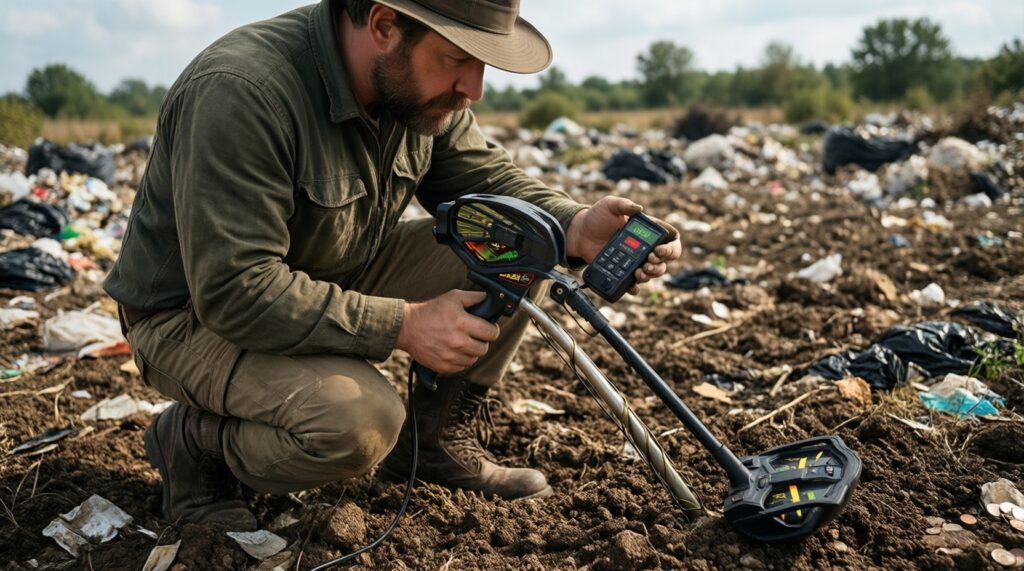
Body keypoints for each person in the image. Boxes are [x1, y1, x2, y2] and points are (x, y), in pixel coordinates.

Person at [104, 0, 682, 531]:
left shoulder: (417, 86)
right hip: (192, 319)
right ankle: (195, 443)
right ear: (383, 25)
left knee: (521, 243)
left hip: (333, 267)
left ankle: (433, 446)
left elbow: (486, 180)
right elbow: (237, 290)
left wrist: (574, 225)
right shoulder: (242, 91)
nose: (473, 88)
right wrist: (405, 324)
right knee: (359, 423)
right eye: (458, 58)